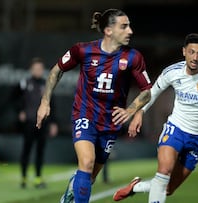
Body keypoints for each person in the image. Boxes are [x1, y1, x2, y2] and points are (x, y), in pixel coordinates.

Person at [35, 8, 152, 203]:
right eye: (124, 26)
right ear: (108, 30)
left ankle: (71, 191)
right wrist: (44, 102)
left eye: (129, 26)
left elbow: (147, 90)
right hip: (85, 114)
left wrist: (132, 110)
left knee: (89, 177)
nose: (130, 31)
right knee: (86, 162)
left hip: (110, 122)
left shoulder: (133, 57)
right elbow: (56, 71)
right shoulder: (83, 50)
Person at [113, 33, 198, 203]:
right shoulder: (172, 72)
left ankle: (136, 187)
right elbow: (152, 92)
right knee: (164, 170)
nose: (195, 57)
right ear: (184, 52)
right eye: (191, 52)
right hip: (176, 129)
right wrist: (140, 112)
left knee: (168, 189)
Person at [16, 57, 58, 189]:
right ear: (31, 69)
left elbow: (53, 104)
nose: (38, 71)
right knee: (26, 149)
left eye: (40, 69)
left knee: (40, 151)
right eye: (36, 69)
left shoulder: (46, 85)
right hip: (29, 122)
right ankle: (23, 177)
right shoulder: (24, 84)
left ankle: (38, 178)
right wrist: (20, 111)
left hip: (43, 123)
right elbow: (14, 99)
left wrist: (53, 123)